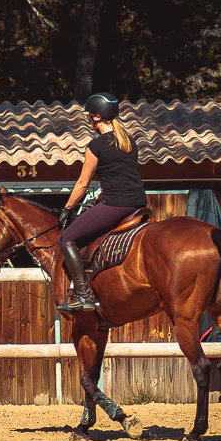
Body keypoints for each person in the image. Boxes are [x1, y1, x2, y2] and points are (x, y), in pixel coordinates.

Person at [58, 92, 148, 313]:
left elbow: (82, 183)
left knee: (67, 238)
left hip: (116, 204)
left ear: (97, 117)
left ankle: (84, 295)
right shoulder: (129, 142)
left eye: (90, 116)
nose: (90, 120)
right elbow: (121, 178)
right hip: (138, 202)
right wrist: (97, 199)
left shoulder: (96, 145)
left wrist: (67, 209)